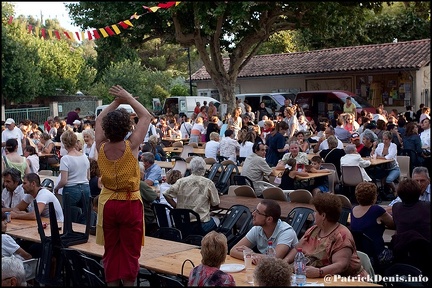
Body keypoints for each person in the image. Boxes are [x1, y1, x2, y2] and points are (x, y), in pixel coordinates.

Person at [95, 85, 151, 286]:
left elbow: (99, 119)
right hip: (129, 203)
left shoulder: (100, 145)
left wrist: (117, 102)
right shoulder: (132, 145)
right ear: (127, 127)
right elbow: (146, 116)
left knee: (111, 249)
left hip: (109, 202)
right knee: (130, 251)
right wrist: (128, 98)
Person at [284, 193, 368, 278]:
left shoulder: (342, 235)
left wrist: (318, 272)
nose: (313, 213)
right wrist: (285, 262)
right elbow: (297, 249)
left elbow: (341, 265)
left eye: (316, 211)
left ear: (323, 216)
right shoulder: (313, 230)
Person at [163, 156, 220, 234]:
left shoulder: (181, 181)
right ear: (204, 169)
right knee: (217, 220)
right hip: (201, 224)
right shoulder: (208, 183)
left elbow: (166, 194)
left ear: (191, 169)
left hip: (182, 222)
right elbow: (215, 203)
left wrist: (176, 206)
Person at [230, 199, 298, 263]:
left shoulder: (286, 232)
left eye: (258, 212)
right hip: (267, 268)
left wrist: (251, 254)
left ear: (269, 219)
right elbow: (233, 251)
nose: (253, 214)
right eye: (255, 210)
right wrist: (252, 256)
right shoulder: (257, 229)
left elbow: (275, 259)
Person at [350, 182, 395, 266]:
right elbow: (393, 224)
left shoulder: (353, 210)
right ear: (374, 196)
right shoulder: (377, 210)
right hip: (378, 255)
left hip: (361, 256)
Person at [53, 130, 90, 224]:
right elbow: (88, 177)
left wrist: (56, 188)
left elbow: (64, 180)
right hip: (85, 187)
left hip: (71, 189)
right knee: (85, 216)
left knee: (70, 217)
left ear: (64, 144)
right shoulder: (84, 156)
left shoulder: (65, 159)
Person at [371, 131, 400, 196]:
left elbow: (389, 157)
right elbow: (373, 156)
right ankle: (379, 192)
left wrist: (379, 157)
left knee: (388, 180)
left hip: (394, 168)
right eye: (383, 139)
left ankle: (395, 190)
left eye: (386, 139)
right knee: (373, 176)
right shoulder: (380, 145)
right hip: (383, 169)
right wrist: (373, 147)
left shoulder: (393, 146)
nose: (384, 141)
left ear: (390, 139)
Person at [138, 162, 158, 236]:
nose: (144, 173)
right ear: (139, 172)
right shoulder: (140, 184)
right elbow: (154, 197)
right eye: (143, 171)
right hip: (145, 216)